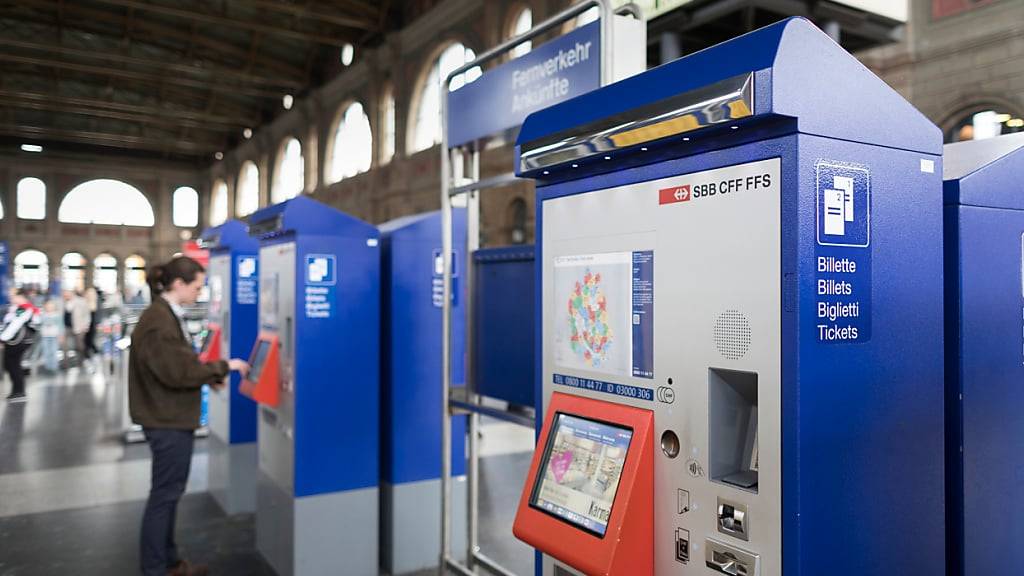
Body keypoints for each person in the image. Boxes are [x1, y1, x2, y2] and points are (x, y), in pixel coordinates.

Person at [129, 256, 249, 576]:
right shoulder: (158, 321)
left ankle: (169, 563)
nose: (200, 292)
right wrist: (225, 367)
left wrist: (207, 375)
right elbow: (177, 371)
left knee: (169, 495)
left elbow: (173, 367)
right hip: (166, 419)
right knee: (164, 497)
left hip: (168, 416)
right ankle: (156, 568)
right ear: (178, 285)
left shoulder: (164, 315)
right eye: (196, 287)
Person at [1, 288, 41, 402]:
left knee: (12, 365)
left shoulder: (24, 308)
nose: (10, 298)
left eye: (12, 296)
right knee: (12, 365)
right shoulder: (21, 308)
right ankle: (17, 391)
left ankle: (19, 392)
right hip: (19, 341)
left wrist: (2, 339)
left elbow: (15, 324)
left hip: (17, 342)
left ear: (20, 296)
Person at [38, 299, 62, 374]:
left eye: (51, 306)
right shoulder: (42, 315)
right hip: (45, 336)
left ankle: (54, 367)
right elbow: (40, 323)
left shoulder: (57, 315)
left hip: (54, 336)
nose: (50, 307)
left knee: (53, 352)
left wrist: (61, 335)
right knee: (46, 352)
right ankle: (48, 367)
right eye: (48, 306)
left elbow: (61, 326)